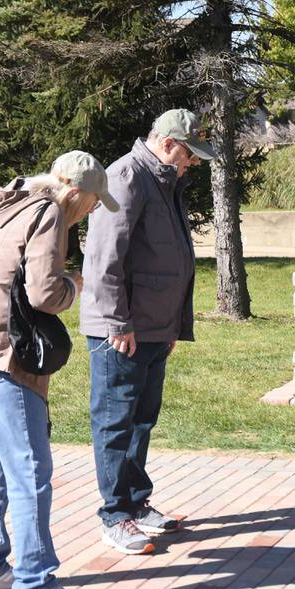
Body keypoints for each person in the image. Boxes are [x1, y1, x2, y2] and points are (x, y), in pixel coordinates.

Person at [0, 151, 118, 589]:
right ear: (75, 193)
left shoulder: (11, 203)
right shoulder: (49, 214)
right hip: (3, 357)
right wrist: (75, 285)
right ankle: (35, 585)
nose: (92, 211)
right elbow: (44, 293)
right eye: (93, 202)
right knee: (30, 475)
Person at [79, 109, 215, 555]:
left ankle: (137, 506)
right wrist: (119, 322)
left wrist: (172, 324)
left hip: (154, 328)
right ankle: (115, 515)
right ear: (170, 143)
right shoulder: (127, 175)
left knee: (141, 419)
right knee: (115, 422)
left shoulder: (164, 179)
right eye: (190, 154)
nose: (192, 162)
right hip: (121, 330)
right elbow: (103, 258)